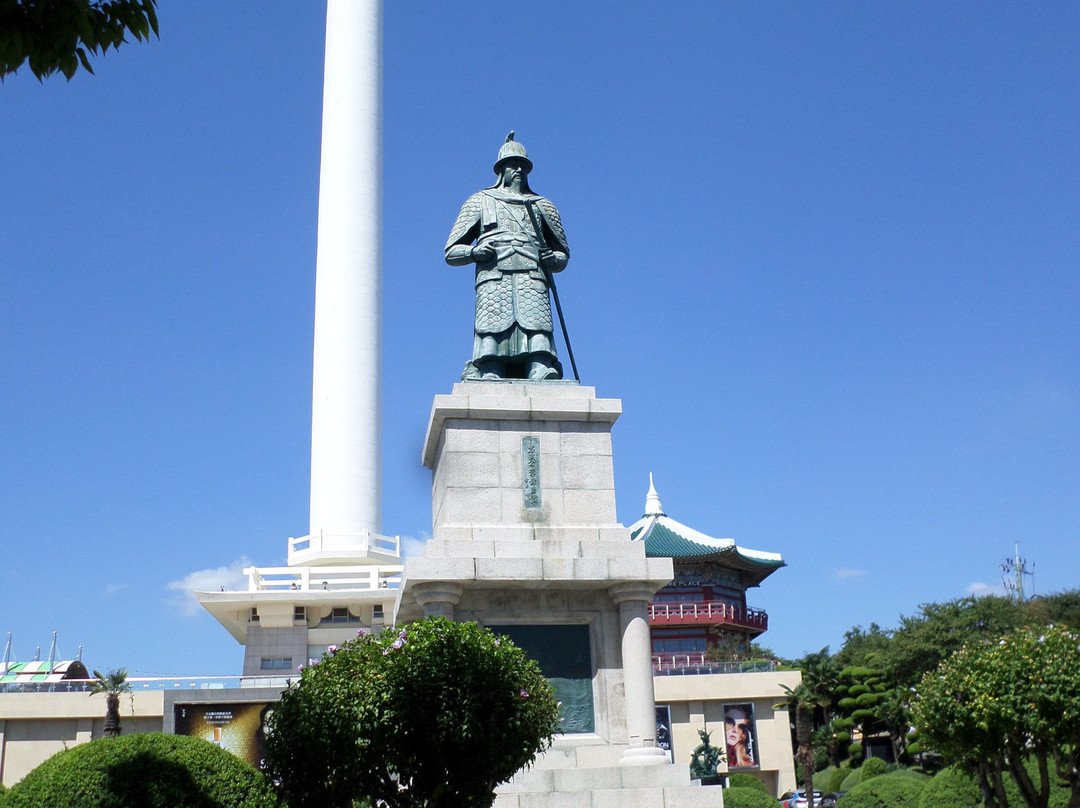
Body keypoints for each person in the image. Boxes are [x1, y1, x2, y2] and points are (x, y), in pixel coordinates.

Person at [445, 132, 569, 381]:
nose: (519, 170)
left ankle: (539, 365)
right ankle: (491, 367)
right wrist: (473, 252)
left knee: (536, 322)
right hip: (494, 276)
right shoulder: (480, 201)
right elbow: (451, 251)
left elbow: (563, 253)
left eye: (523, 165)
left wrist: (553, 260)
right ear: (501, 170)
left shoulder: (542, 205)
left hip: (532, 275)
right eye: (513, 165)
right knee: (493, 323)